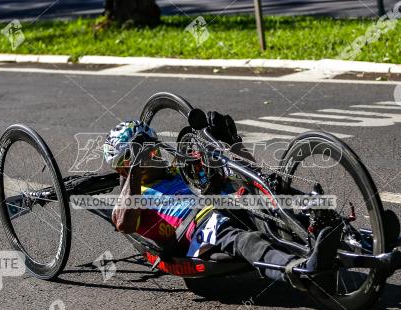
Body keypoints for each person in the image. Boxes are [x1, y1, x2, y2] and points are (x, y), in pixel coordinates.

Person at [102, 119, 342, 293]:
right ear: (122, 166)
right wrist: (134, 172)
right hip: (200, 226)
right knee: (247, 240)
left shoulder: (179, 167)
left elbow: (246, 174)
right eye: (135, 154)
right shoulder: (135, 193)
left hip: (231, 203)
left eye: (150, 147)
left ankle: (333, 230)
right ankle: (302, 274)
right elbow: (123, 223)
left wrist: (232, 142)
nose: (151, 155)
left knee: (270, 190)